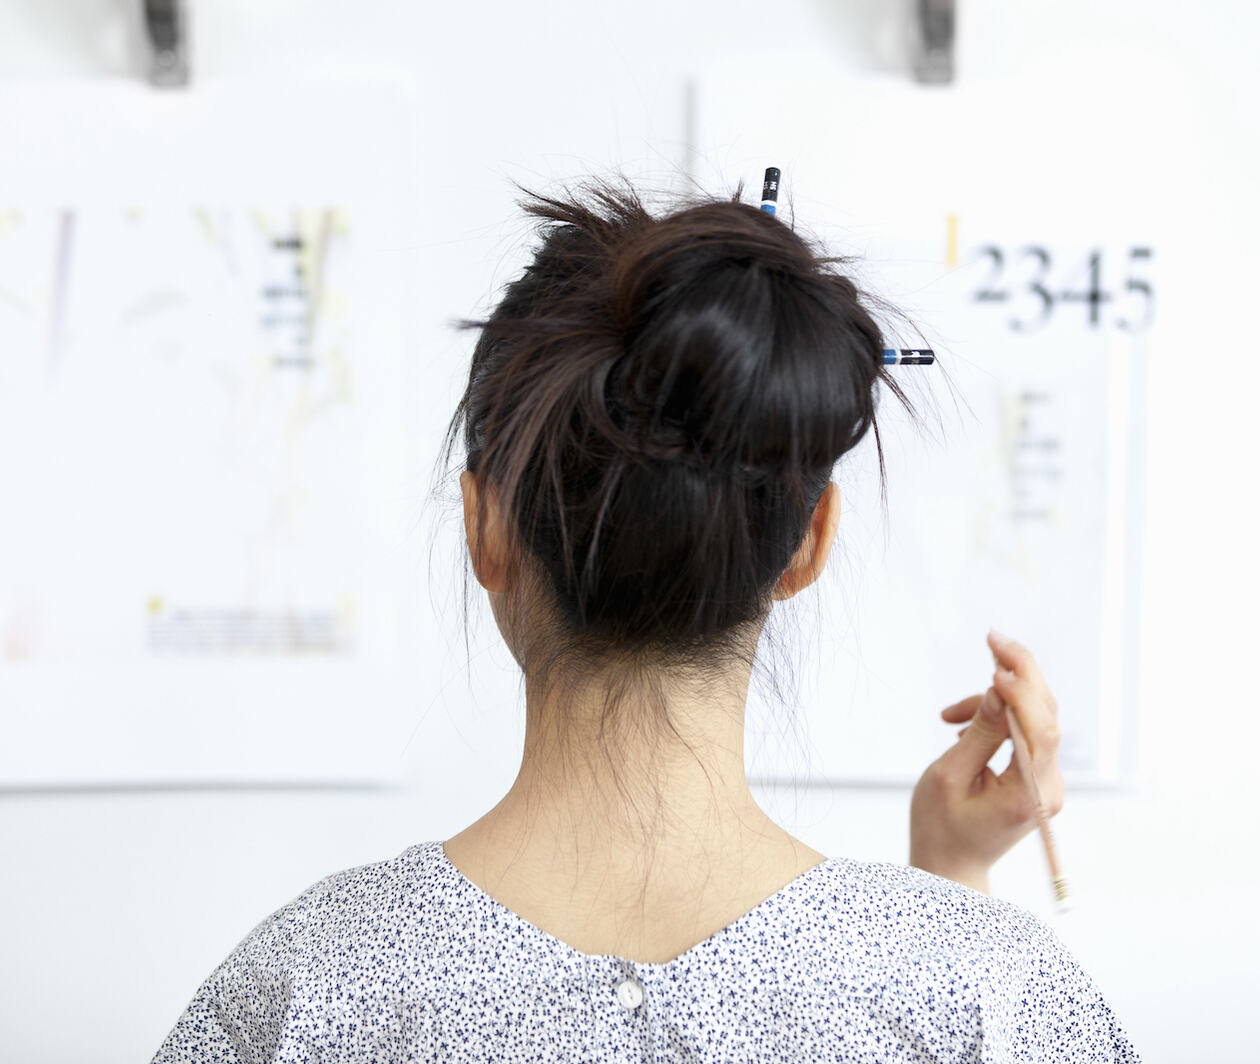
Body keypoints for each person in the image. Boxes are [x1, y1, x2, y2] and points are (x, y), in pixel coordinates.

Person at [152, 179, 1140, 1062]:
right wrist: (951, 888)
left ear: (486, 524)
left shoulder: (301, 992)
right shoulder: (988, 994)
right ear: (808, 541)